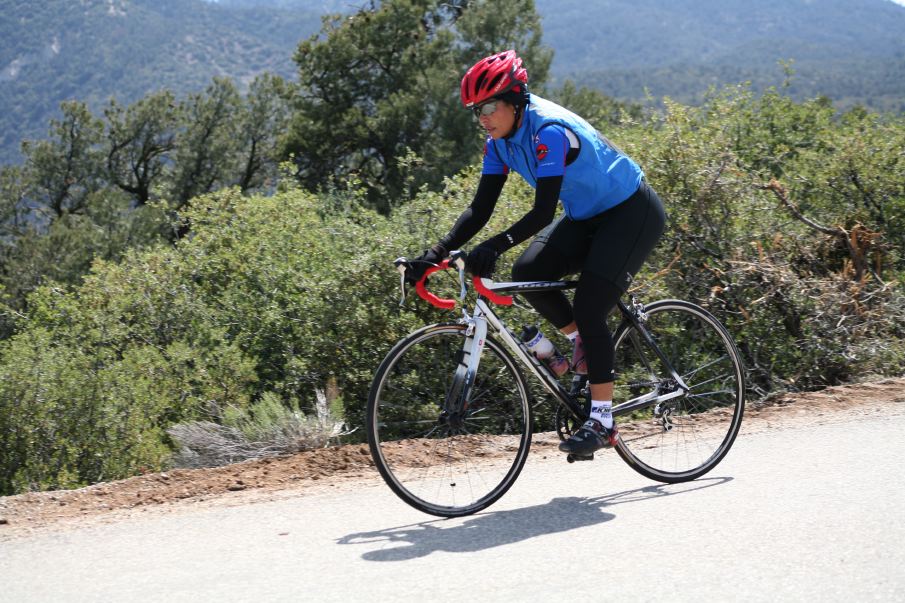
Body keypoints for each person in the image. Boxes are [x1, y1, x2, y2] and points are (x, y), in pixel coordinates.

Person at [408, 50, 666, 457]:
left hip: (631, 212)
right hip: (587, 215)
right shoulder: (498, 143)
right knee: (531, 271)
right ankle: (584, 344)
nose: (484, 118)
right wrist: (436, 252)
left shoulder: (547, 131)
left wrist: (495, 244)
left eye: (490, 106)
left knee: (590, 304)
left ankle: (603, 420)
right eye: (477, 111)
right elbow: (480, 208)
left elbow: (543, 212)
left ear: (515, 100)